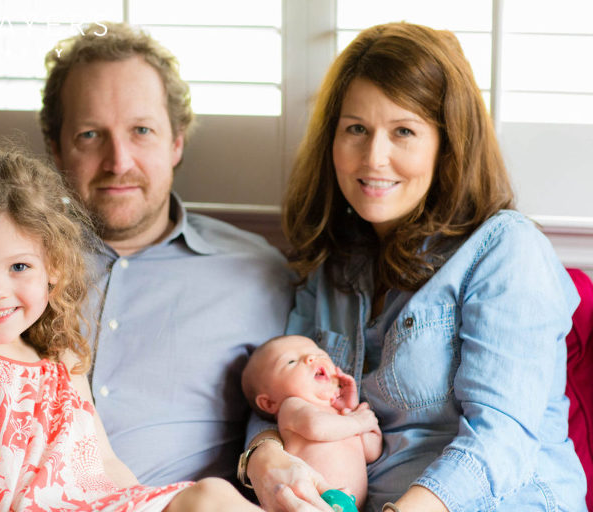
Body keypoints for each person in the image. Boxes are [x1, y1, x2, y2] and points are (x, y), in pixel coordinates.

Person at [0, 22, 293, 500]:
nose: (118, 161)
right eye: (91, 134)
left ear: (177, 140)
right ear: (55, 146)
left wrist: (266, 448)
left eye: (142, 131)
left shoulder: (261, 274)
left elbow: (303, 392)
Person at [243, 22, 587, 512]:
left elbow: (502, 438)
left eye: (403, 131)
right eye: (356, 129)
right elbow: (272, 399)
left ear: (448, 145)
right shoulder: (332, 272)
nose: (373, 158)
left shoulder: (506, 248)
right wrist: (264, 460)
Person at [0, 150, 262, 511]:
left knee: (211, 495)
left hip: (90, 504)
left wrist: (143, 500)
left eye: (19, 267)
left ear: (54, 266)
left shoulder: (61, 359)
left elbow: (106, 465)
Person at [241, 335, 382, 509]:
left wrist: (354, 413)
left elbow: (372, 452)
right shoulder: (292, 407)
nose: (310, 358)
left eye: (318, 352)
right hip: (300, 503)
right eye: (291, 362)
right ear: (269, 403)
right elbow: (316, 427)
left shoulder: (342, 416)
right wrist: (359, 422)